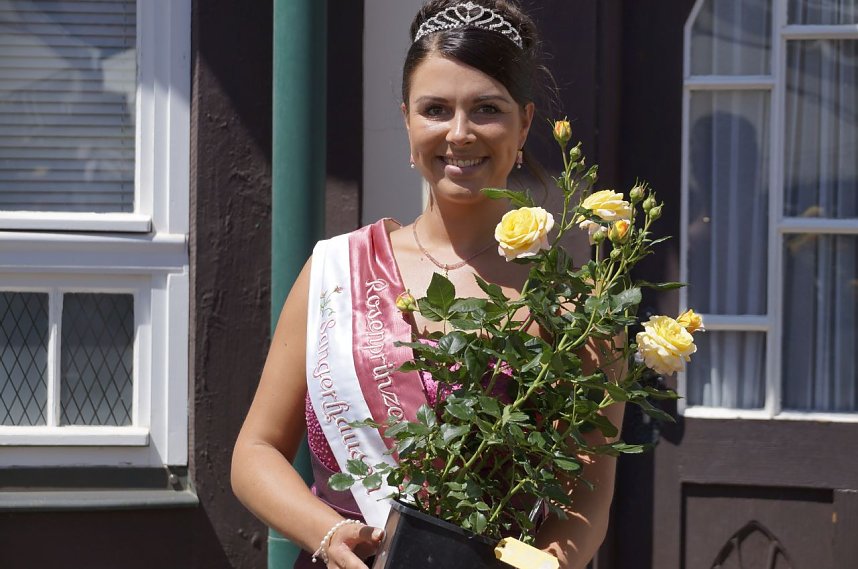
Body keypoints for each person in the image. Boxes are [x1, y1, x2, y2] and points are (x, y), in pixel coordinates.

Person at [231, 1, 624, 567]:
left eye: (487, 109)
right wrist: (326, 533)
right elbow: (255, 451)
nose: (459, 134)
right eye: (435, 109)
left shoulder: (577, 309)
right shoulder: (336, 271)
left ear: (526, 124)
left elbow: (586, 496)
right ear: (408, 120)